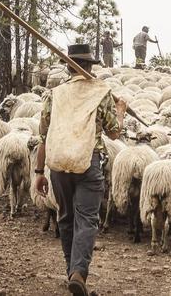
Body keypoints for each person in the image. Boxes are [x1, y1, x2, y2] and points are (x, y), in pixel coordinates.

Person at [34, 44, 127, 296]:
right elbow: (114, 133)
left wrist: (39, 171)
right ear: (89, 66)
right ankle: (78, 273)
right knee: (87, 219)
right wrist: (120, 113)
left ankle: (71, 273)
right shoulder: (101, 93)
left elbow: (44, 135)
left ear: (68, 66)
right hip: (88, 162)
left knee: (65, 218)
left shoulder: (54, 94)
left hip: (59, 163)